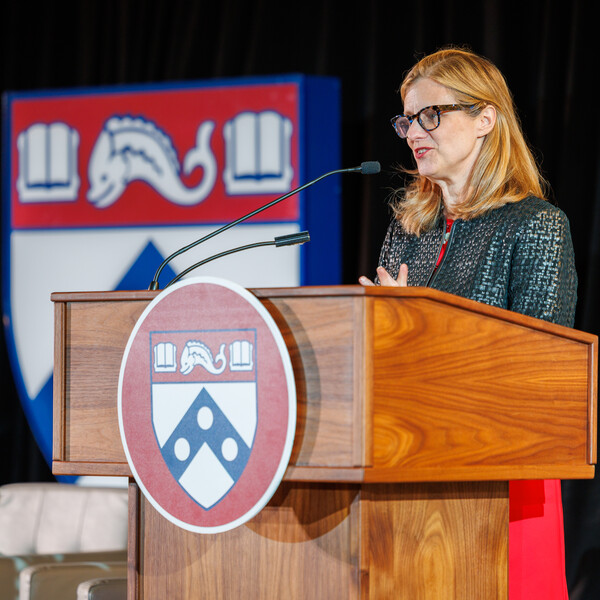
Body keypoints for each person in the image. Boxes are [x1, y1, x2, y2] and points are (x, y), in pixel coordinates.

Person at [359, 47, 576, 600]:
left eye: (432, 114)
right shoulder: (408, 229)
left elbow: (541, 373)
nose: (414, 131)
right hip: (412, 460)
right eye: (408, 118)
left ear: (486, 120)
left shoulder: (537, 226)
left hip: (506, 474)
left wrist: (417, 329)